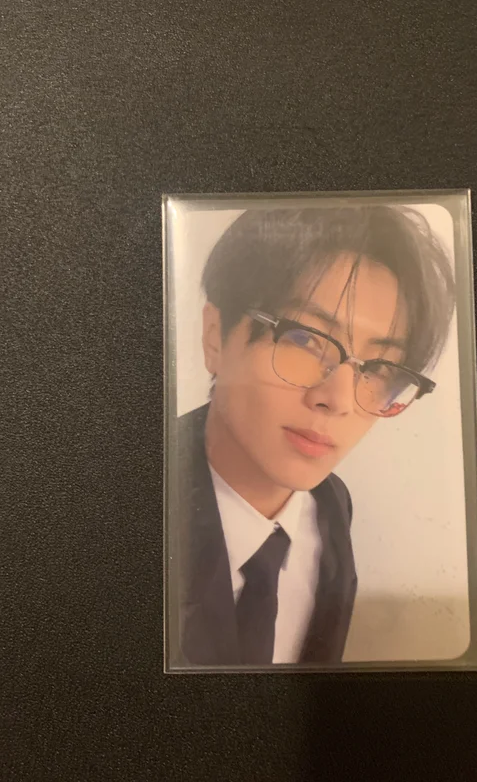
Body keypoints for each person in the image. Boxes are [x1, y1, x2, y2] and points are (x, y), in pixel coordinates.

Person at [172, 204, 455, 667]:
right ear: (215, 337)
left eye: (380, 368)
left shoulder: (331, 507)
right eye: (304, 339)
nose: (338, 399)